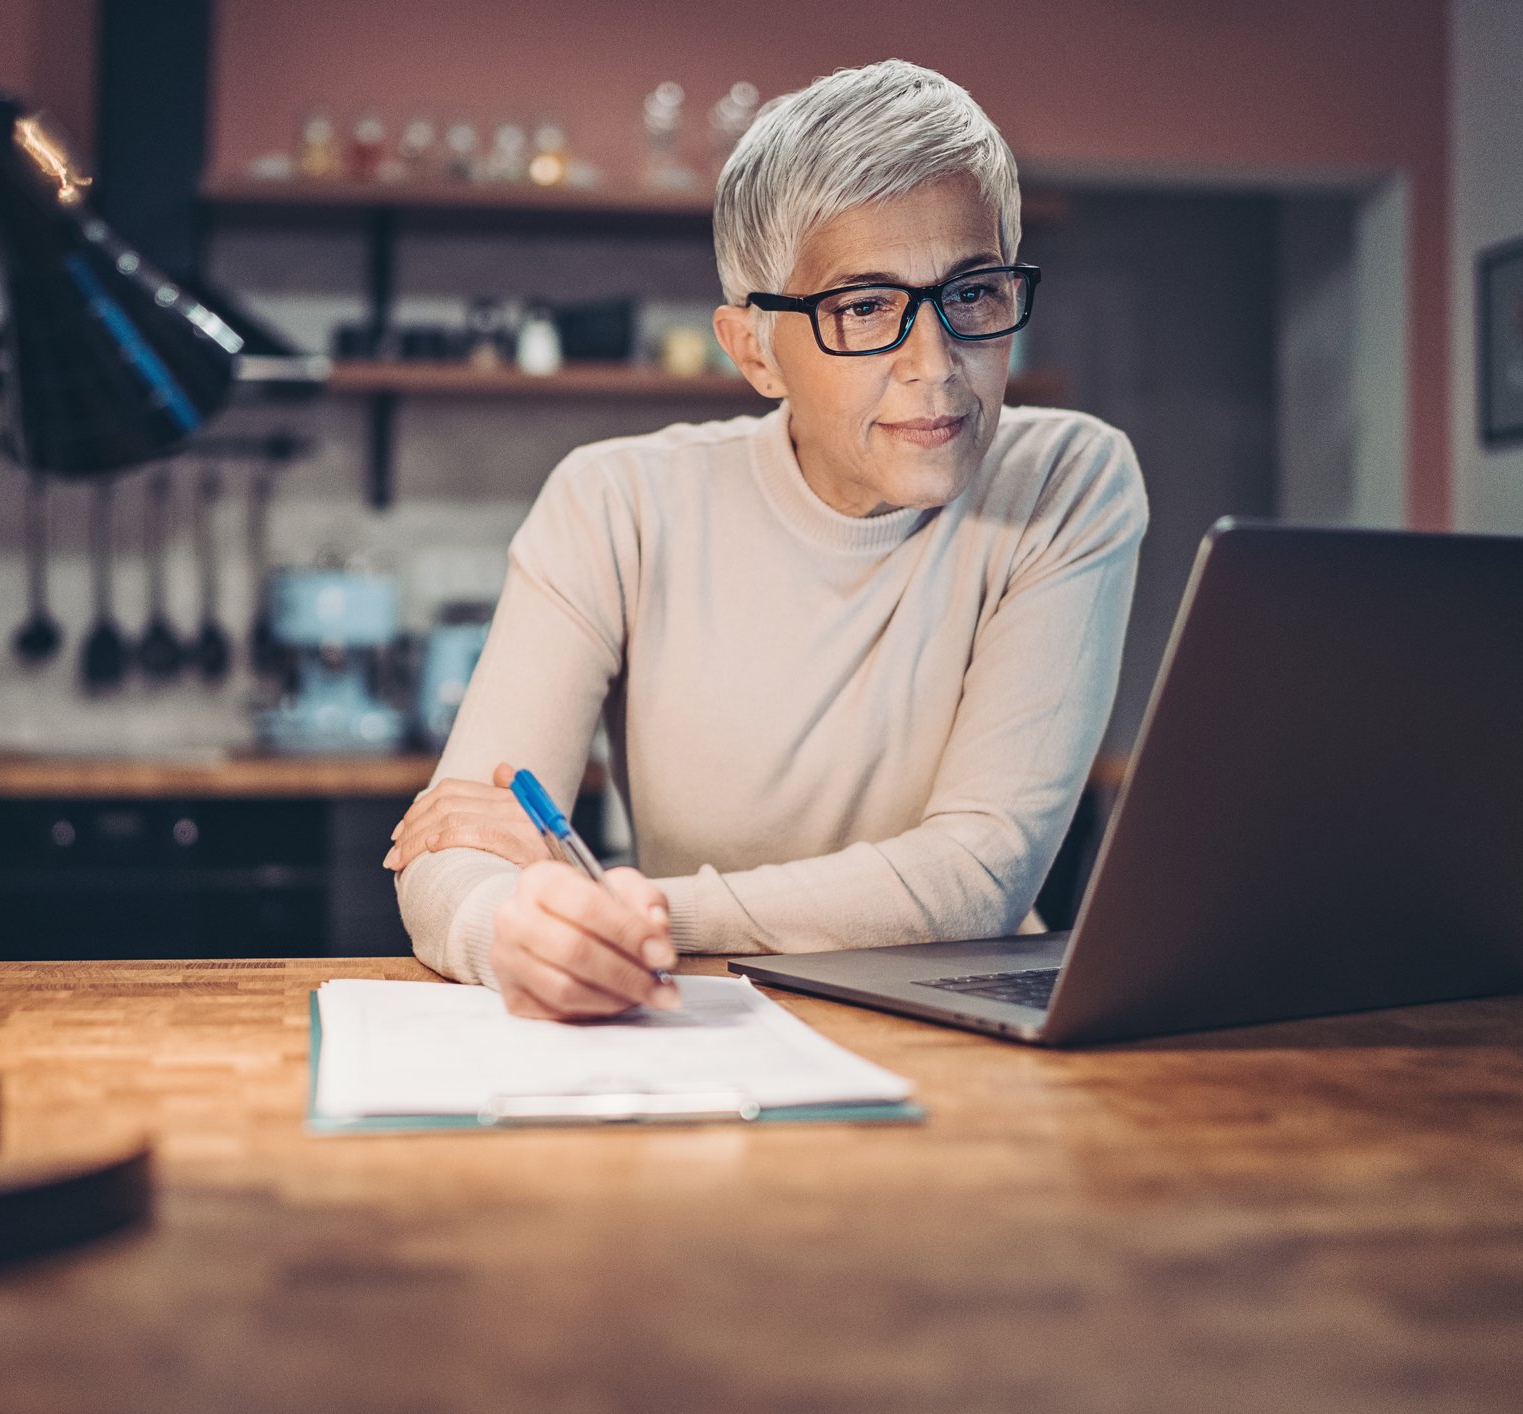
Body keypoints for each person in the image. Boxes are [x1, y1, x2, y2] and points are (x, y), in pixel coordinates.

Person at [384, 60, 1148, 1021]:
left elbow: (976, 876)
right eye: (863, 307)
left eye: (974, 293)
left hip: (969, 1036)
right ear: (752, 349)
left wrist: (644, 910)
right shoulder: (613, 501)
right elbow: (454, 849)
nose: (935, 363)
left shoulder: (1066, 481)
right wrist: (514, 932)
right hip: (688, 1028)